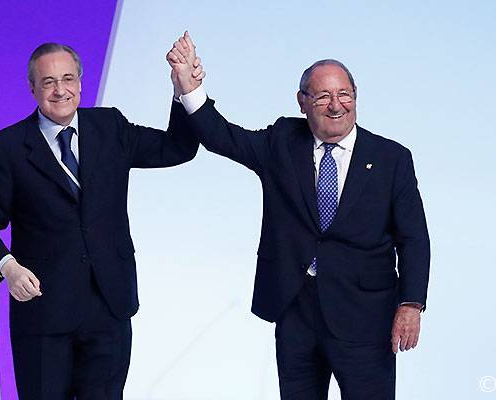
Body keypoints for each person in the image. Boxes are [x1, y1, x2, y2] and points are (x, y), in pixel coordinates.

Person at [167, 33, 430, 399]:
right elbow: (222, 137)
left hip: (365, 316)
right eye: (322, 96)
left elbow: (414, 238)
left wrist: (411, 304)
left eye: (344, 94)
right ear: (302, 102)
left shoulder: (391, 158)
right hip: (296, 313)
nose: (336, 105)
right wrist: (189, 86)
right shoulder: (283, 141)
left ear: (356, 97)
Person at [0, 42, 203, 399]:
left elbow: (177, 148)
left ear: (80, 83)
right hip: (43, 313)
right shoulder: (8, 148)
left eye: (68, 79)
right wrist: (8, 267)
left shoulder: (110, 127)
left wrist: (184, 90)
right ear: (32, 88)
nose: (60, 90)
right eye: (48, 82)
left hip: (109, 306)